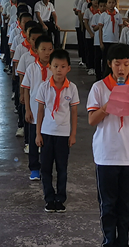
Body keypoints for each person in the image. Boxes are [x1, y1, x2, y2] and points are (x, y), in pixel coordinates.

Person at [87, 43, 129, 247]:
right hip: (106, 154)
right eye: (117, 64)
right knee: (108, 204)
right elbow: (91, 120)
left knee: (126, 204)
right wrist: (106, 107)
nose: (122, 69)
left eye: (126, 64)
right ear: (109, 64)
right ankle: (109, 240)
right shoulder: (99, 87)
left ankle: (123, 241)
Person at [35, 48, 79, 212]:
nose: (59, 70)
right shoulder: (44, 87)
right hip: (47, 133)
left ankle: (60, 198)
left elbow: (74, 112)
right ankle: (49, 198)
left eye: (63, 66)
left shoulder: (72, 88)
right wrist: (38, 133)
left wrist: (73, 134)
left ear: (68, 68)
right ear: (50, 67)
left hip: (63, 135)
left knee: (62, 168)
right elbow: (40, 111)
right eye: (55, 66)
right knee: (46, 168)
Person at [21, 35, 54, 180]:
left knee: (48, 142)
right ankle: (34, 168)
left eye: (50, 49)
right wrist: (27, 110)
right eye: (43, 49)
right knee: (34, 141)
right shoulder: (31, 68)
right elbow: (26, 89)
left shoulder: (55, 69)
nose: (47, 53)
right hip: (34, 111)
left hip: (50, 113)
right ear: (36, 51)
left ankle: (46, 168)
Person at [99, 0, 123, 76]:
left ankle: (113, 74)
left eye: (113, 3)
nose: (111, 4)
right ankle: (104, 75)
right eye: (109, 2)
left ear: (115, 4)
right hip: (106, 40)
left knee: (114, 59)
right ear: (106, 4)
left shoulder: (118, 15)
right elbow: (100, 29)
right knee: (105, 59)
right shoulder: (103, 15)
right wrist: (101, 42)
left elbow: (120, 28)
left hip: (115, 40)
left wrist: (120, 39)